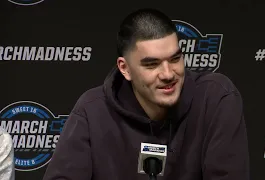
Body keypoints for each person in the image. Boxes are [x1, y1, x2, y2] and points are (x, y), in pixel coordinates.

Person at [43, 8, 250, 180]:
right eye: (152, 64)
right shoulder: (92, 110)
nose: (168, 74)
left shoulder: (216, 98)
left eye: (175, 59)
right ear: (125, 68)